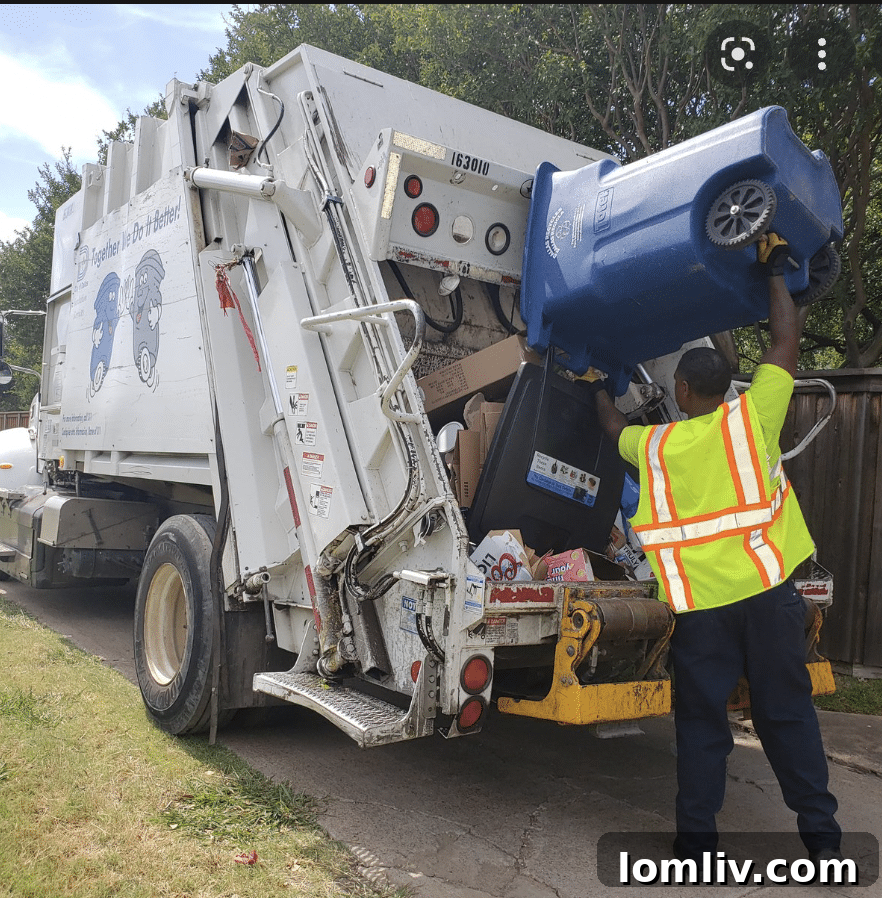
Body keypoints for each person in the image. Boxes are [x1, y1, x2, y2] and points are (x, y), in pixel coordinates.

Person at [592, 232, 842, 862]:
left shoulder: (656, 450)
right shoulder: (754, 419)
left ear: (680, 392)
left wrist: (595, 374)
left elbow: (612, 425)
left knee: (702, 730)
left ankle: (694, 845)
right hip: (769, 601)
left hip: (703, 616)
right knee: (787, 720)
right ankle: (823, 840)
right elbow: (785, 344)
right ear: (726, 385)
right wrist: (777, 273)